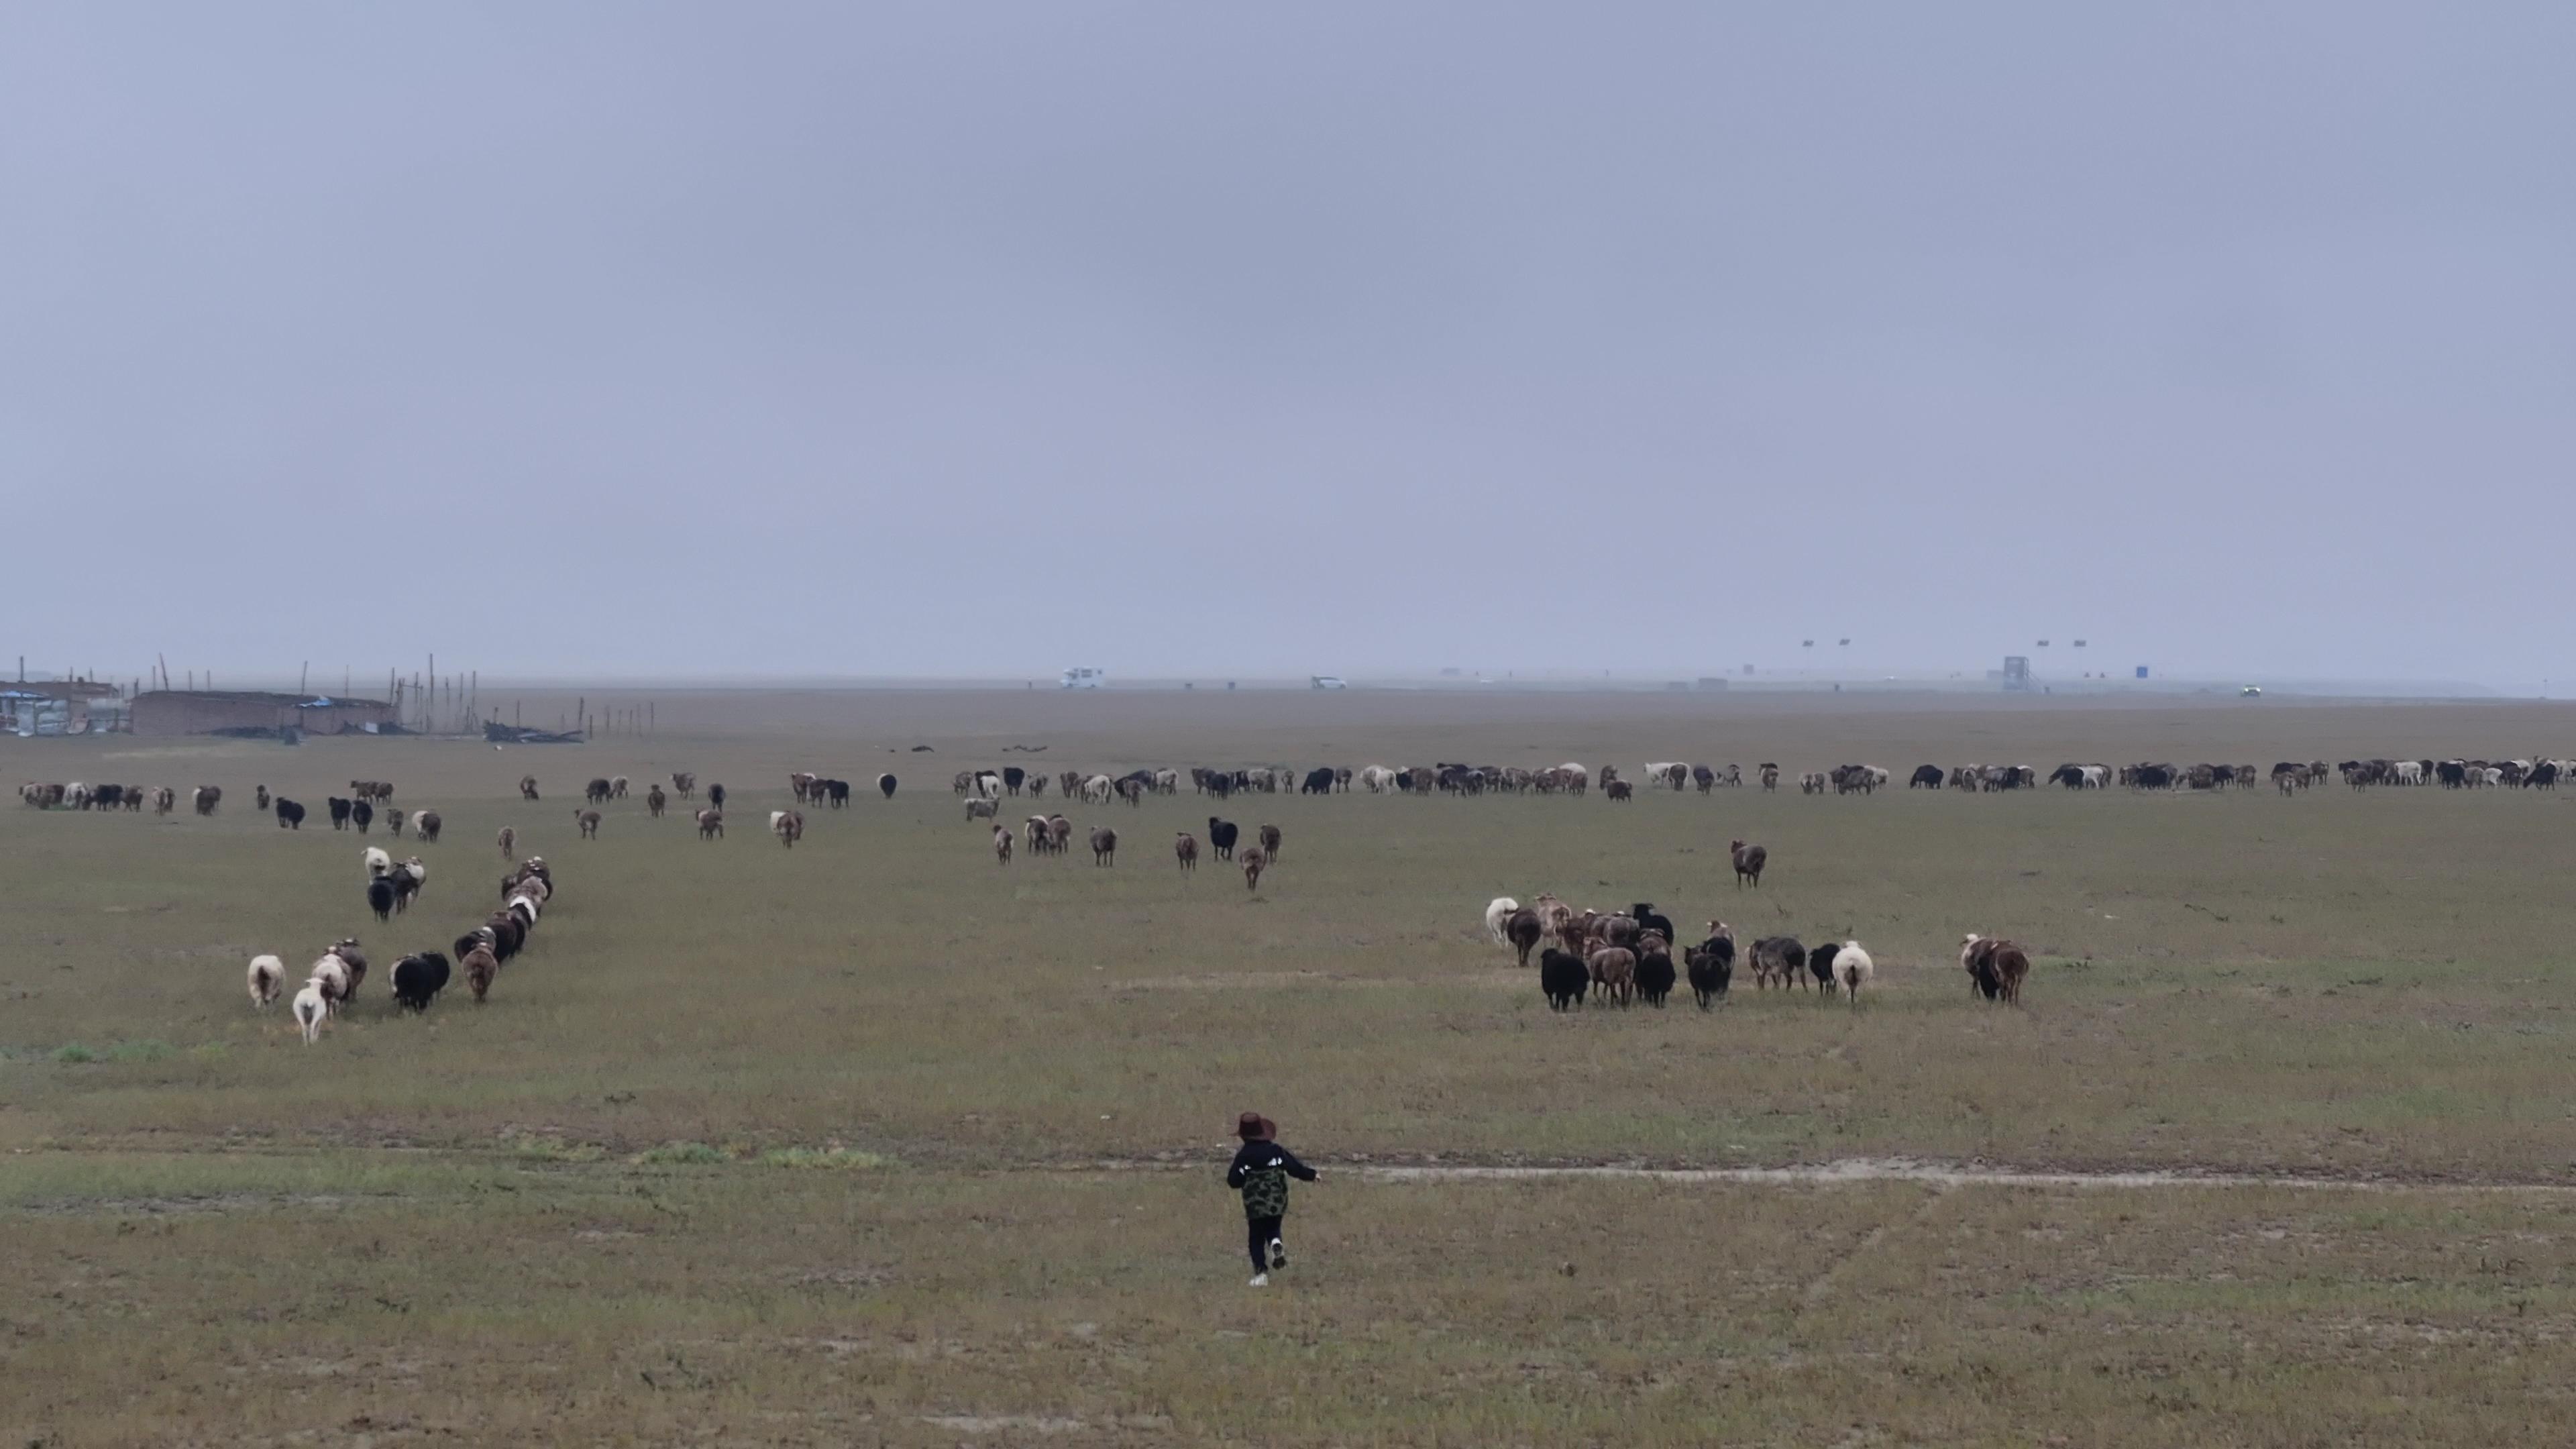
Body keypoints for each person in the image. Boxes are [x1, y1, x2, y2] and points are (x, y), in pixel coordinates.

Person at [1225, 1112, 1318, 1287]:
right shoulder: (1276, 1151)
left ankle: (1261, 1273)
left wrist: (1246, 1177)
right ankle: (1276, 1243)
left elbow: (1233, 1181)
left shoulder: (1244, 1156)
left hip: (1255, 1207)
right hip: (1277, 1202)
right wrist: (1312, 1175)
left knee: (1256, 1238)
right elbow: (1295, 1168)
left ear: (1244, 1136)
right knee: (1273, 1227)